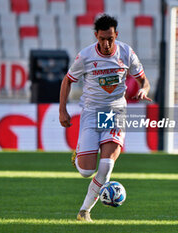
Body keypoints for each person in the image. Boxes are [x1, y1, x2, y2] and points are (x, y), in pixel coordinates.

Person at [59, 14, 151, 222]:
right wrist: (62, 110)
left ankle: (84, 211)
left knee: (107, 166)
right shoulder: (85, 56)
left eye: (110, 38)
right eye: (102, 39)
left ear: (116, 35)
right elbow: (67, 80)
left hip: (115, 112)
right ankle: (80, 156)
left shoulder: (127, 53)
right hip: (91, 113)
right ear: (96, 36)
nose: (107, 43)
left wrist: (144, 90)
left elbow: (144, 81)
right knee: (86, 171)